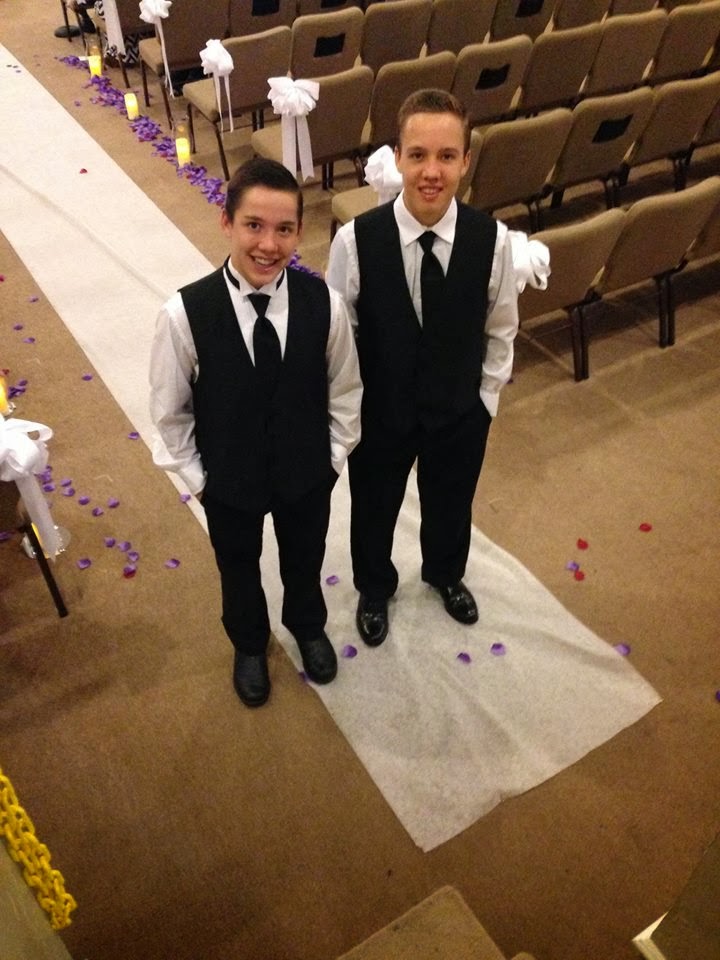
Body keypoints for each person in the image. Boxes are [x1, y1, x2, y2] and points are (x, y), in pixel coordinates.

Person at [149, 157, 362, 707]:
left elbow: (345, 389)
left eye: (284, 229)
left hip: (306, 471)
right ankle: (248, 642)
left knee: (305, 556)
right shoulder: (184, 314)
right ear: (227, 222)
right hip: (228, 479)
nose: (269, 245)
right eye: (254, 225)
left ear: (299, 231)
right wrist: (201, 481)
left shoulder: (325, 306)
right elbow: (170, 412)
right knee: (238, 566)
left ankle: (306, 624)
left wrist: (332, 459)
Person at [326, 89, 519, 648]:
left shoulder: (493, 241)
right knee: (374, 506)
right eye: (417, 155)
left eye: (446, 156)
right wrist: (351, 410)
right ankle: (374, 586)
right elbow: (339, 339)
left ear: (465, 160)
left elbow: (501, 328)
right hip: (382, 412)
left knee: (451, 502)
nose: (431, 172)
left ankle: (445, 573)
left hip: (459, 410)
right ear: (398, 157)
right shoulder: (355, 241)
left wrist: (485, 401)